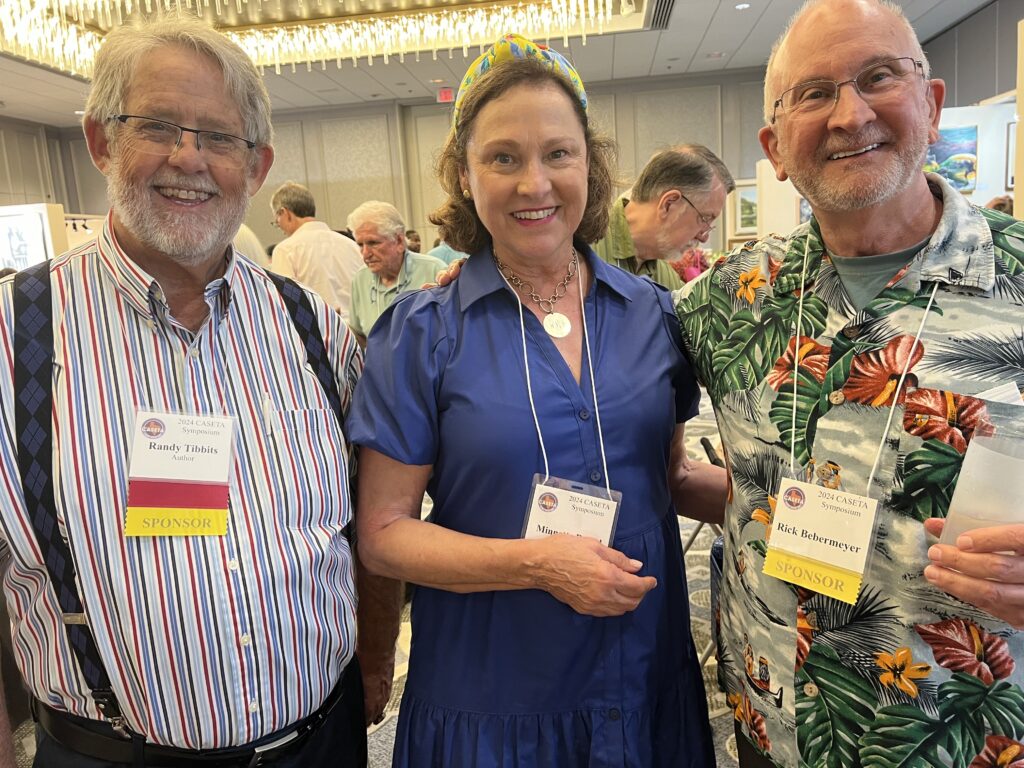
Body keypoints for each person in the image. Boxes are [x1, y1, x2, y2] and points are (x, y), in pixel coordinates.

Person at [0, 15, 401, 767]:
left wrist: (376, 660)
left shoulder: (313, 328)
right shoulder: (12, 336)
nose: (189, 158)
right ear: (99, 141)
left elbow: (373, 517)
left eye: (219, 137)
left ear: (256, 166)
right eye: (156, 126)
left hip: (321, 742)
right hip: (108, 754)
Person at [348, 34, 724, 768]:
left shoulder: (654, 314)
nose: (534, 183)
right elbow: (384, 532)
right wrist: (539, 565)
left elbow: (670, 479)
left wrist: (796, 509)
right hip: (496, 694)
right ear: (465, 172)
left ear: (590, 163)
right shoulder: (423, 333)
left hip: (641, 674)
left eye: (558, 153)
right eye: (503, 158)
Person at [674, 1, 1024, 766]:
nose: (849, 114)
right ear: (773, 147)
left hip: (956, 736)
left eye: (877, 77)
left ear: (930, 106)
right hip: (774, 721)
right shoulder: (724, 302)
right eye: (814, 93)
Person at [594, 145, 733, 290]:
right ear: (669, 204)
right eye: (705, 218)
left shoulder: (666, 279)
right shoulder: (580, 246)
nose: (704, 238)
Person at [346, 201, 445, 344]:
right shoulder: (360, 279)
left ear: (399, 241)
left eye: (373, 243)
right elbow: (360, 336)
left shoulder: (434, 271)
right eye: (360, 245)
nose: (365, 254)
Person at [270, 181, 364, 319]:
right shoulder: (350, 244)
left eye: (277, 221)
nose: (280, 227)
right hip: (356, 333)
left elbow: (285, 303)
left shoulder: (285, 250)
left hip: (320, 332)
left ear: (285, 213)